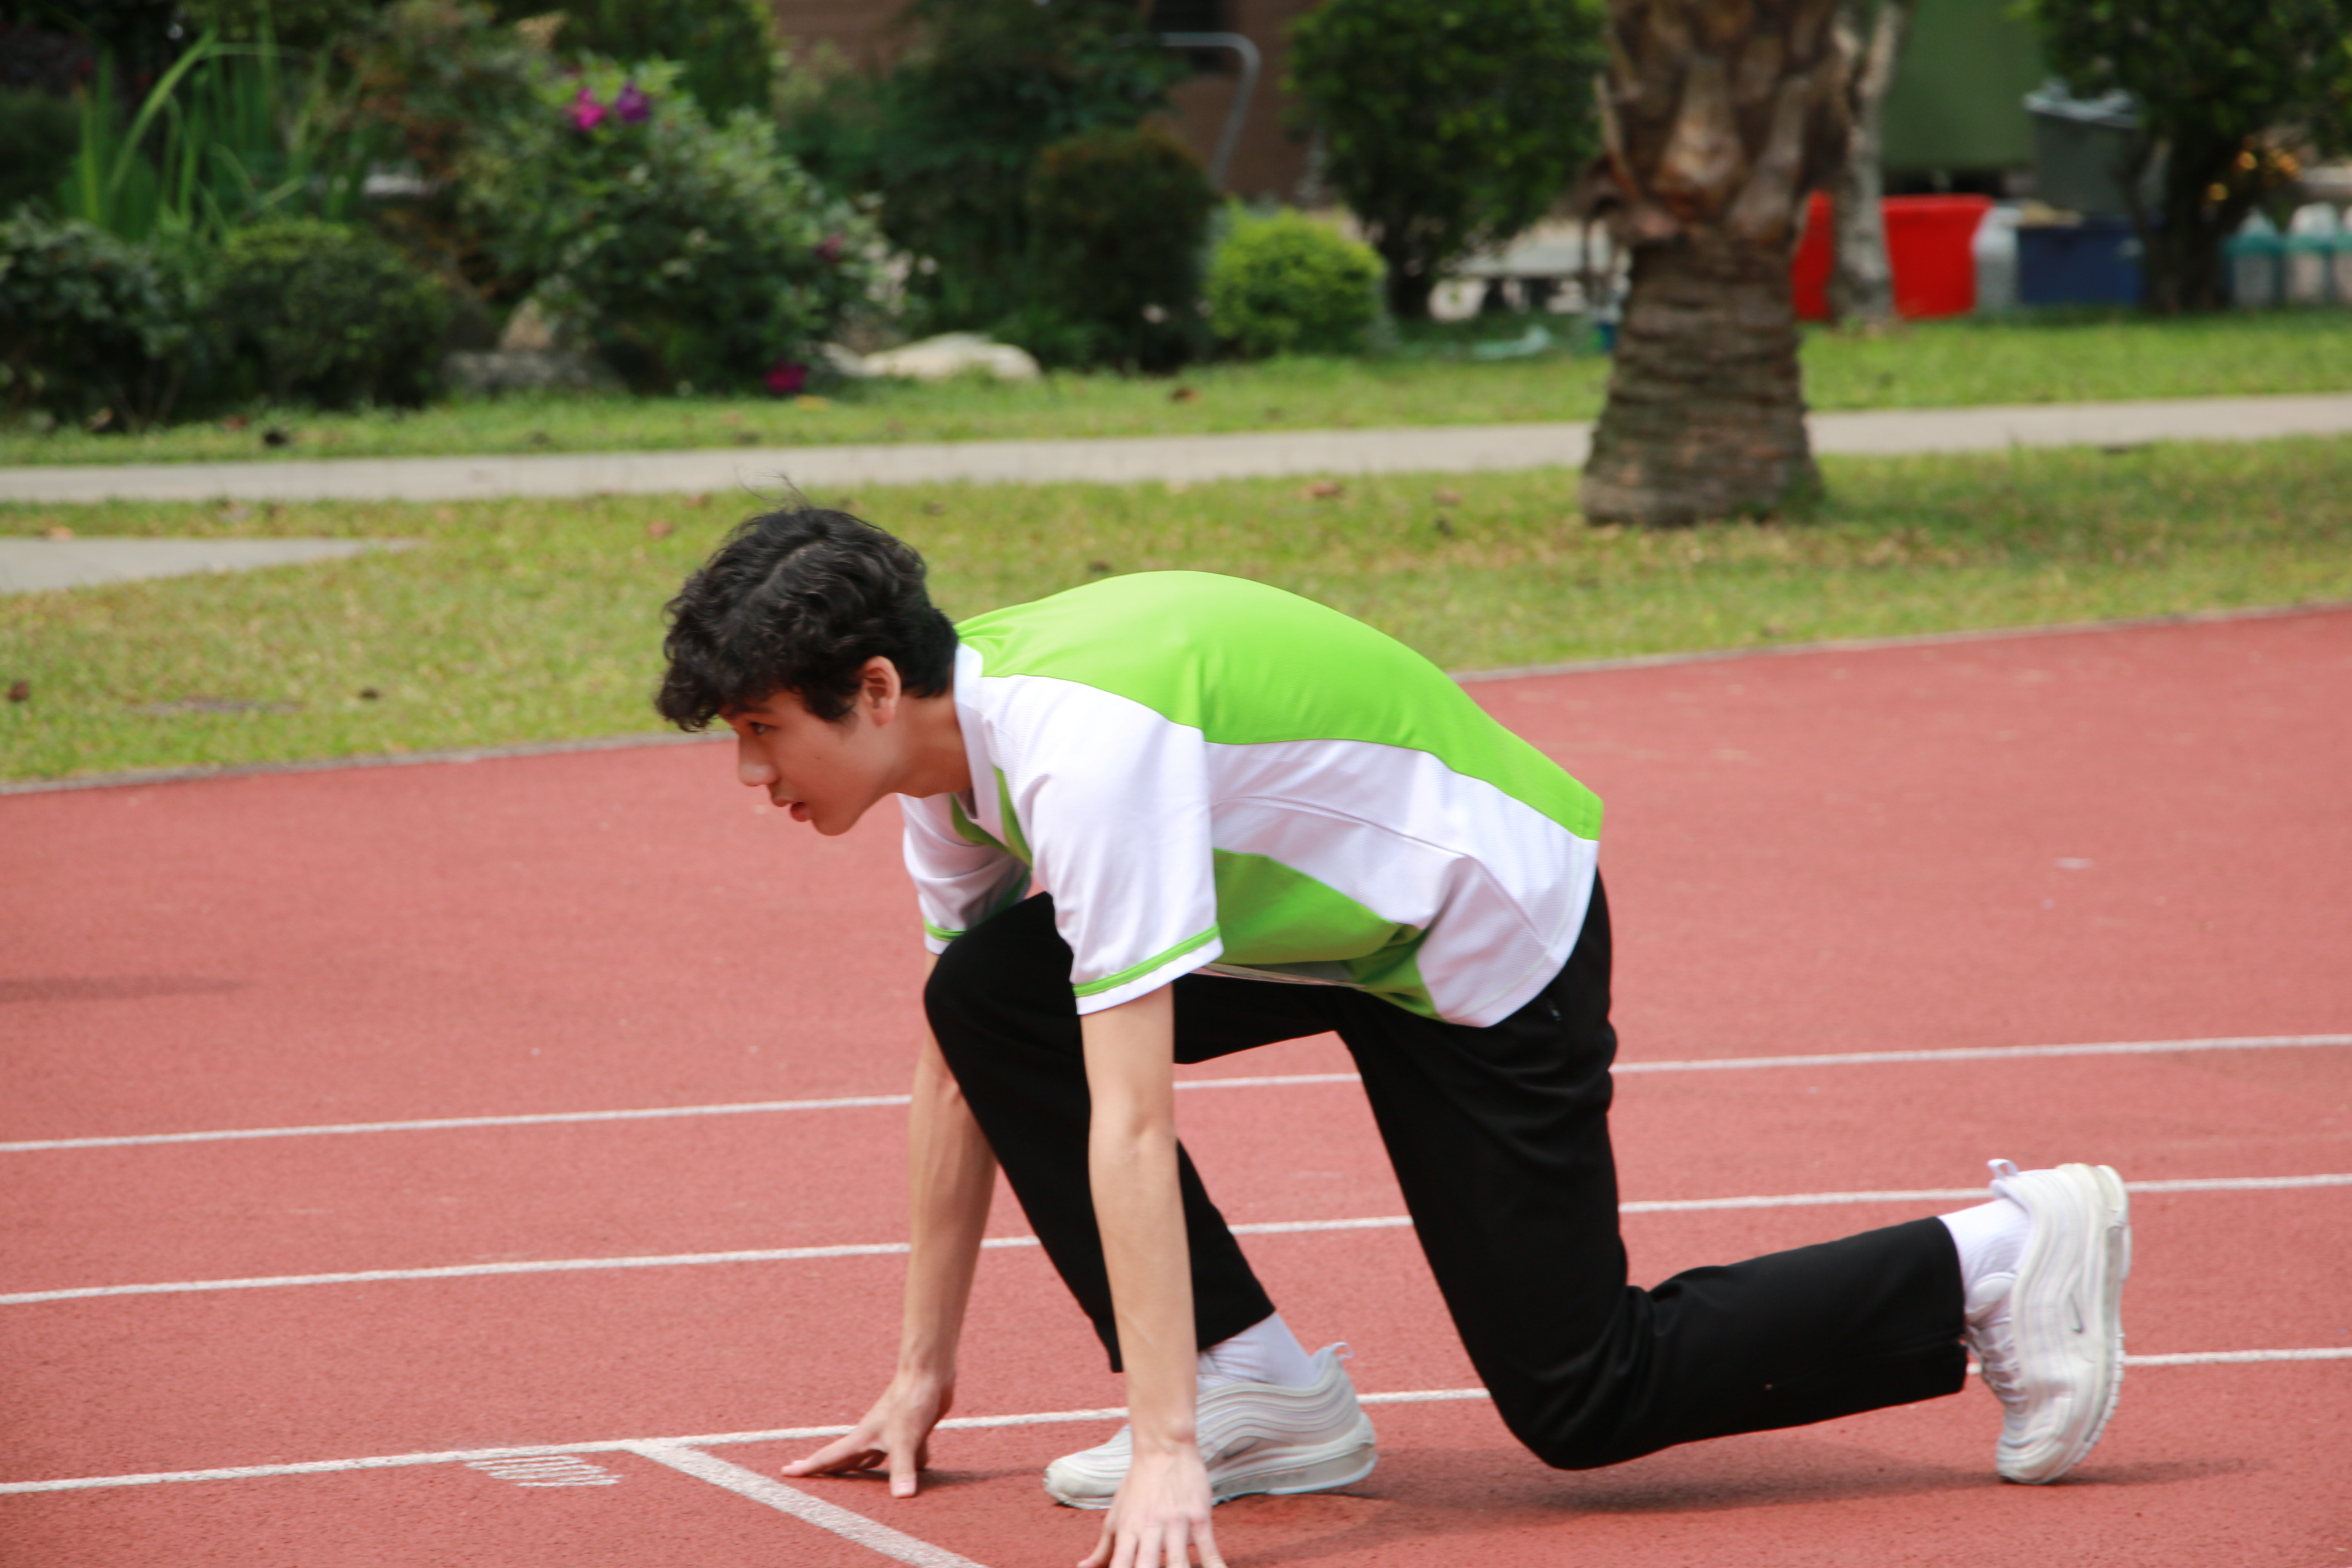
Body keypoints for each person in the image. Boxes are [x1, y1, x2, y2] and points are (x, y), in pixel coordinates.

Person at [655, 508, 2132, 1568]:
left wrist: (1163, 1451)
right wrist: (921, 1374)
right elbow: (965, 1065)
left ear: (874, 689)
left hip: (1482, 930)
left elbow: (1132, 1120)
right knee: (986, 997)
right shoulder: (944, 766)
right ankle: (1258, 1385)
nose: (749, 775)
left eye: (763, 732)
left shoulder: (1080, 748)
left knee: (1583, 1396)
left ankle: (1998, 1257)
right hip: (1322, 928)